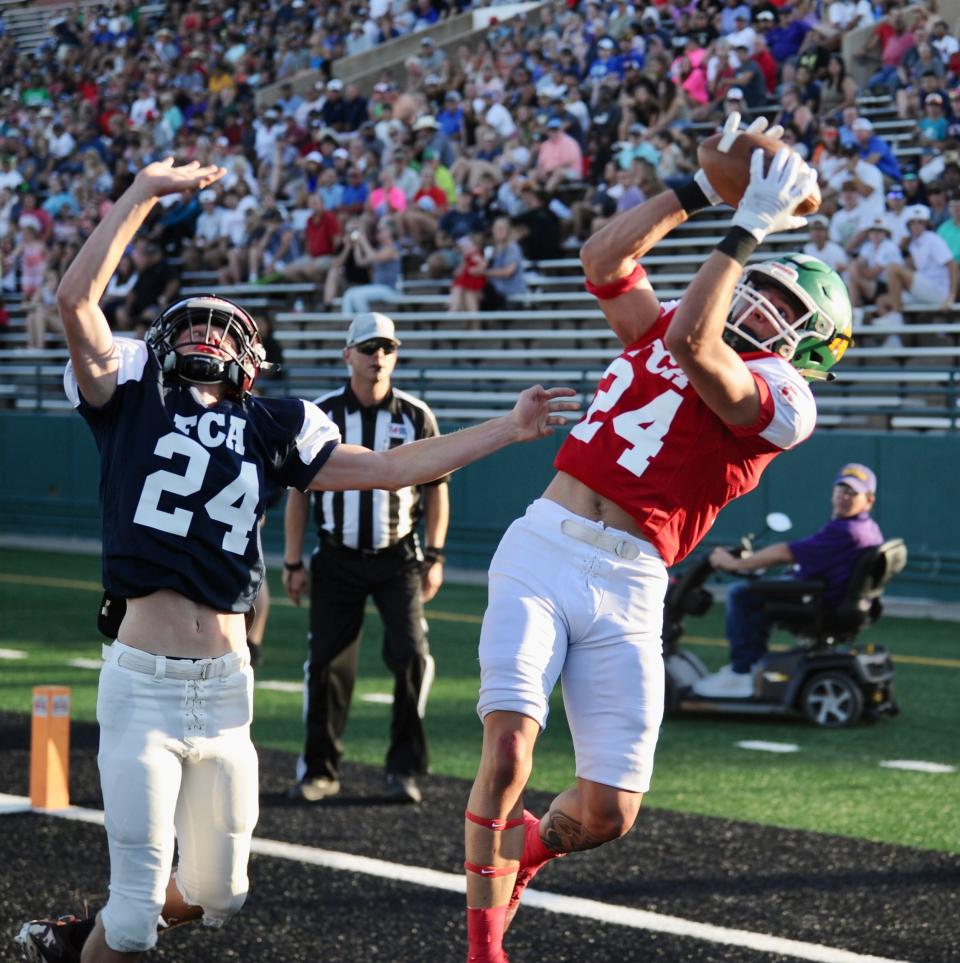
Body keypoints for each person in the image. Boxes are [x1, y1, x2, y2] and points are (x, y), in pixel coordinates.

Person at [14, 158, 578, 963]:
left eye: (224, 327)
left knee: (220, 892)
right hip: (142, 678)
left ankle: (79, 940)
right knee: (138, 914)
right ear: (166, 341)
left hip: (228, 690)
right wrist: (140, 194)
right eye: (194, 324)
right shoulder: (129, 394)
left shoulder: (275, 423)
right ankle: (104, 935)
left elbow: (390, 468)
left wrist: (507, 427)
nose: (207, 335)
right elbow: (75, 299)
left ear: (250, 360)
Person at [461, 114, 854, 963]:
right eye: (767, 285)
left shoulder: (786, 395)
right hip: (548, 540)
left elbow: (690, 342)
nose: (763, 300)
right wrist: (702, 192)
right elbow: (604, 261)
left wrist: (749, 223)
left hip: (636, 579)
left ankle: (522, 851)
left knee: (607, 812)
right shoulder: (685, 317)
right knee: (510, 743)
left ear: (812, 345)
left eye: (787, 306)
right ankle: (483, 946)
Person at [283, 312, 448, 806]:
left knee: (413, 658)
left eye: (387, 348)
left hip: (399, 557)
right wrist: (293, 561)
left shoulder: (417, 415)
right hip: (336, 557)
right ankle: (319, 768)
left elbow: (437, 489)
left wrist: (435, 554)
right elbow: (299, 492)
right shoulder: (322, 415)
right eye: (369, 347)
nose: (378, 356)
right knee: (326, 665)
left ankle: (404, 768)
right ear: (348, 355)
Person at [692, 464, 884, 698]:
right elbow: (811, 555)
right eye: (840, 490)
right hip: (830, 596)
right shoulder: (867, 528)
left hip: (821, 601)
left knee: (741, 594)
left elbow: (786, 552)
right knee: (759, 588)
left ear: (869, 500)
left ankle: (741, 672)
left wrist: (737, 564)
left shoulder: (848, 531)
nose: (844, 497)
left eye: (852, 493)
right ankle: (752, 667)